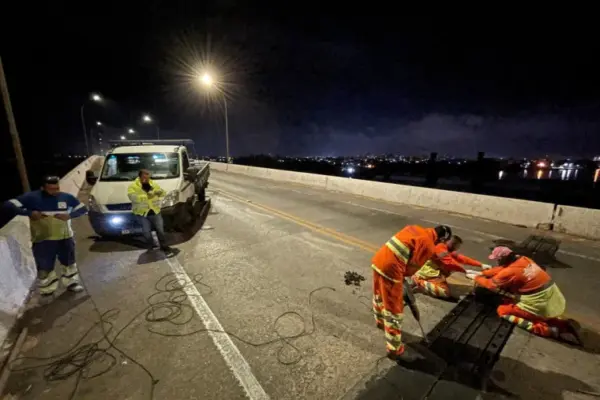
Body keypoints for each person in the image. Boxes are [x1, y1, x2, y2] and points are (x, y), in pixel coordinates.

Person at [371, 224, 452, 361]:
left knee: (379, 294)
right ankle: (394, 349)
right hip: (391, 270)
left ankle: (379, 320)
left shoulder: (415, 228)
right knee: (394, 310)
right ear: (441, 239)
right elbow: (411, 269)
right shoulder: (428, 245)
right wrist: (403, 278)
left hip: (378, 260)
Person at [474, 246, 581, 345]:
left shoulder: (509, 272)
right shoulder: (524, 259)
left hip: (540, 306)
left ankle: (546, 330)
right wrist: (485, 273)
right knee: (532, 308)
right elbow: (502, 269)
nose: (496, 261)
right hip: (554, 299)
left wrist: (477, 277)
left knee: (502, 310)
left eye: (497, 259)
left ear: (504, 258)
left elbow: (491, 284)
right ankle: (561, 323)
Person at [4, 176, 87, 297]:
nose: (55, 191)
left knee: (69, 262)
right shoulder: (32, 198)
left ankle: (72, 283)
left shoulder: (66, 197)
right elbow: (9, 205)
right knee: (44, 266)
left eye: (57, 188)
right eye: (51, 189)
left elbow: (83, 209)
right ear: (42, 188)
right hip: (43, 239)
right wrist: (29, 213)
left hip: (65, 237)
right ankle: (47, 289)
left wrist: (70, 216)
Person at [411, 235, 491, 300]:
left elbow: (461, 258)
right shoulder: (440, 248)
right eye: (455, 245)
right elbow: (451, 263)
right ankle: (418, 281)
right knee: (445, 293)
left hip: (433, 272)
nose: (456, 247)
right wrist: (465, 272)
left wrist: (480, 265)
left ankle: (424, 281)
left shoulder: (446, 249)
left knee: (449, 272)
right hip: (427, 273)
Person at [127, 169, 174, 254]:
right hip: (142, 214)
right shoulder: (133, 186)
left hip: (155, 211)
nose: (146, 178)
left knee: (160, 230)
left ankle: (164, 246)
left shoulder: (153, 183)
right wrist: (146, 195)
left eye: (148, 176)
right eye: (145, 176)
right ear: (140, 176)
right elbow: (132, 197)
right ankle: (150, 246)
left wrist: (157, 192)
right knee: (146, 232)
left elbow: (163, 193)